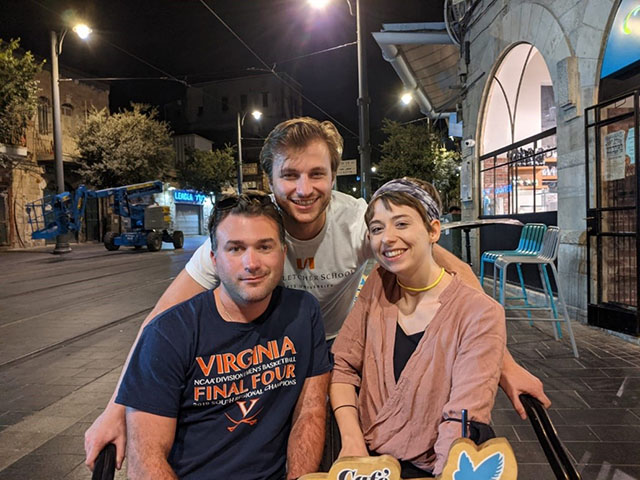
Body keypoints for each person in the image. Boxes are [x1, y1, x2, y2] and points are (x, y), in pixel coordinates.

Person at [84, 117, 549, 471]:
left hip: (329, 353)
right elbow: (158, 324)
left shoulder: (358, 223)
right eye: (290, 175)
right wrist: (115, 409)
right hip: (266, 356)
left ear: (334, 174)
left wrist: (502, 365)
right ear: (270, 180)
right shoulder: (248, 235)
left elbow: (454, 273)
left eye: (317, 174)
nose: (304, 189)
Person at [116, 192, 332, 479]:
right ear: (214, 259)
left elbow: (311, 411)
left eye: (264, 247)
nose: (251, 263)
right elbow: (146, 462)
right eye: (235, 249)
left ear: (283, 252)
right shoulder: (169, 334)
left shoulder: (303, 313)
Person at [330, 178, 505, 477]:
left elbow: (462, 417)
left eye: (401, 224)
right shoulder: (378, 285)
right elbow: (343, 367)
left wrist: (444, 472)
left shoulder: (479, 313)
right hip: (367, 462)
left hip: (435, 466)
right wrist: (352, 442)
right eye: (377, 228)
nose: (387, 238)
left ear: (433, 230)